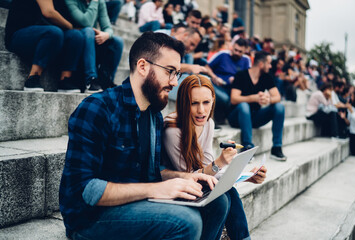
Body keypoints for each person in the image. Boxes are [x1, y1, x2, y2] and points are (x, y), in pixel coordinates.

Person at [59, 32, 230, 240]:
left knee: (217, 201)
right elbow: (85, 189)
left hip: (136, 205)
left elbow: (153, 171)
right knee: (187, 222)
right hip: (90, 219)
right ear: (143, 66)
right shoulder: (97, 108)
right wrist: (157, 189)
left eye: (177, 73)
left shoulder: (154, 116)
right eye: (170, 72)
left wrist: (186, 177)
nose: (175, 82)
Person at [163, 74, 267, 240]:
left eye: (206, 102)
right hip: (176, 188)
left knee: (228, 192)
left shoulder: (208, 123)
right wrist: (219, 162)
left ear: (213, 100)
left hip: (198, 185)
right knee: (222, 198)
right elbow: (191, 177)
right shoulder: (172, 130)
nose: (201, 110)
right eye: (194, 103)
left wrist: (247, 176)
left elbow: (209, 171)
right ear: (184, 103)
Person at [4, 0, 84, 92]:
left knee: (75, 36)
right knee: (54, 33)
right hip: (19, 35)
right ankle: (33, 78)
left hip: (46, 35)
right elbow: (48, 12)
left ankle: (65, 80)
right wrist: (70, 26)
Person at [228, 51, 287, 161]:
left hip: (254, 118)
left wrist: (267, 99)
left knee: (279, 107)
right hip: (237, 117)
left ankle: (276, 147)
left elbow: (277, 97)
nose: (270, 66)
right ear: (261, 64)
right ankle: (247, 147)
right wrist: (253, 98)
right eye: (269, 63)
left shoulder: (266, 77)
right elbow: (234, 99)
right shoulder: (241, 75)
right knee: (244, 105)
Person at [65, 0, 124, 91]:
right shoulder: (72, 1)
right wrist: (95, 2)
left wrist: (106, 35)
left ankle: (107, 80)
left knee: (118, 41)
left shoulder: (100, 2)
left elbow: (108, 27)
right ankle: (91, 79)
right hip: (76, 39)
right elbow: (86, 22)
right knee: (89, 30)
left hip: (91, 40)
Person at [207, 38, 251, 124]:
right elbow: (207, 67)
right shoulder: (223, 54)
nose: (237, 53)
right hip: (218, 85)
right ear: (232, 47)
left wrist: (237, 80)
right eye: (236, 50)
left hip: (235, 90)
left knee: (228, 99)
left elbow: (248, 79)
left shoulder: (246, 60)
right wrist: (214, 77)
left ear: (245, 51)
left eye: (240, 51)